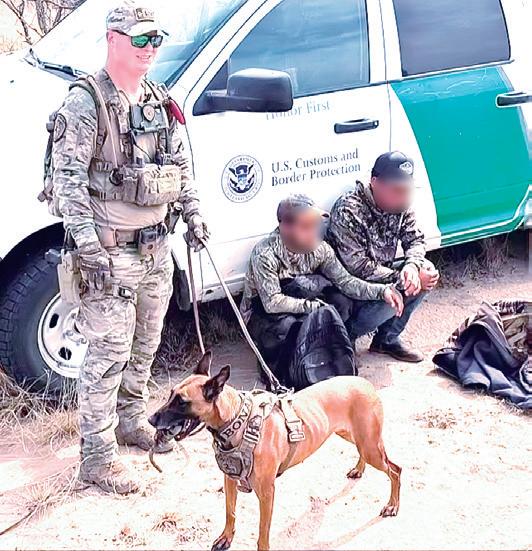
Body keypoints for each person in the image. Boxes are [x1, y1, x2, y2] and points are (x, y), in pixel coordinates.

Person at [51, 2, 208, 494]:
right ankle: (97, 459)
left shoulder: (160, 101)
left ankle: (131, 420)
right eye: (140, 39)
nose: (150, 48)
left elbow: (180, 169)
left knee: (145, 345)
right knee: (107, 357)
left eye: (155, 39)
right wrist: (88, 248)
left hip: (157, 252)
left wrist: (194, 214)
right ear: (113, 40)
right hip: (109, 256)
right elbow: (68, 185)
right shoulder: (86, 104)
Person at [240, 194, 403, 387]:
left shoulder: (321, 249)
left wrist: (382, 291)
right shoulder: (266, 253)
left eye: (315, 225)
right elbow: (272, 303)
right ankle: (276, 372)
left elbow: (346, 281)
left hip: (301, 298)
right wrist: (312, 307)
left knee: (341, 302)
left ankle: (331, 352)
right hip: (263, 312)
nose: (314, 233)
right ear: (286, 228)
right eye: (306, 227)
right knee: (285, 327)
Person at [327, 151, 439, 363]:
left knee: (426, 270)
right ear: (375, 183)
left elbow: (416, 240)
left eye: (407, 189)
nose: (403, 196)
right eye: (396, 190)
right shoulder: (349, 209)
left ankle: (386, 340)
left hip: (381, 277)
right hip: (350, 288)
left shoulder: (401, 205)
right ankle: (345, 340)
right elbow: (357, 266)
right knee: (397, 292)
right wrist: (402, 279)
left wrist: (412, 267)